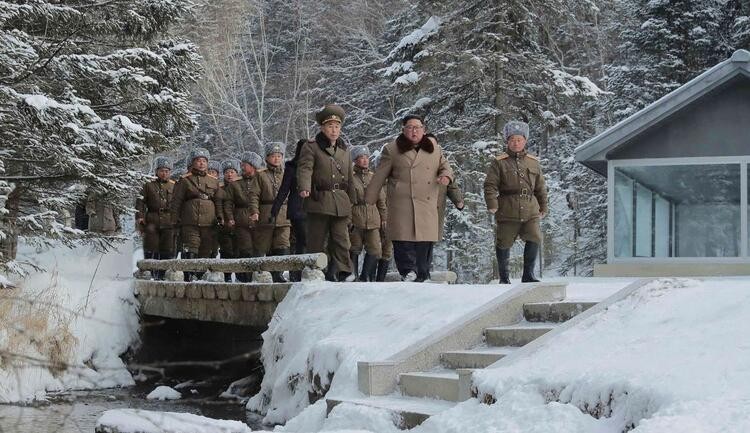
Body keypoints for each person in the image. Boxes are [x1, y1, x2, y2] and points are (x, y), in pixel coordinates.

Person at [365, 114, 453, 282]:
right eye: (410, 127)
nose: (414, 131)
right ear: (403, 130)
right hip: (402, 201)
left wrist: (446, 176)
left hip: (426, 200)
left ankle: (422, 273)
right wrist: (369, 198)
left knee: (424, 239)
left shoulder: (434, 148)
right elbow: (379, 176)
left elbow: (445, 166)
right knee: (402, 237)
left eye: (417, 127)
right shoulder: (392, 149)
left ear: (423, 130)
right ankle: (407, 271)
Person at [483, 120, 548, 283]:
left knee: (534, 237)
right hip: (507, 209)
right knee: (503, 242)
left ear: (525, 140)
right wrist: (492, 204)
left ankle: (528, 275)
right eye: (512, 139)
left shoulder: (533, 162)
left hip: (530, 208)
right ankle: (504, 278)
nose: (516, 143)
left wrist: (543, 206)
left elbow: (540, 187)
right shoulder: (499, 162)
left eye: (519, 139)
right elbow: (490, 185)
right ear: (507, 141)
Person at [297, 104, 355, 282]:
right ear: (322, 127)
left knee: (341, 239)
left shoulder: (344, 150)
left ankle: (343, 271)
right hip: (319, 199)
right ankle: (314, 270)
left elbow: (349, 177)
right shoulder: (311, 147)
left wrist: (352, 199)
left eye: (337, 127)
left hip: (340, 200)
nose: (334, 130)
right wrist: (304, 187)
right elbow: (305, 168)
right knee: (317, 238)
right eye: (330, 126)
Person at [170, 147, 223, 281]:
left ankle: (200, 275)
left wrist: (220, 216)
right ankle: (188, 275)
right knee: (191, 247)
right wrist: (174, 219)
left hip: (209, 222)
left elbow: (218, 201)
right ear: (193, 162)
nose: (201, 163)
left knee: (206, 249)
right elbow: (176, 201)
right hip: (190, 221)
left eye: (204, 161)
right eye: (198, 160)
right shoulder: (184, 180)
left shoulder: (214, 181)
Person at [250, 143, 291, 283]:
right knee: (263, 245)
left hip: (284, 213)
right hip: (266, 213)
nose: (276, 159)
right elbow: (254, 195)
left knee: (282, 244)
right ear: (267, 158)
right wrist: (254, 211)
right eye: (273, 156)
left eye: (279, 156)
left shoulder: (287, 174)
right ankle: (260, 273)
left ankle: (278, 273)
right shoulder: (260, 175)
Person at [224, 151, 265, 282]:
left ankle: (258, 275)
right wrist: (230, 218)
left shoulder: (262, 179)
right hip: (241, 220)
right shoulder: (235, 184)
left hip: (260, 219)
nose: (242, 167)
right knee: (245, 249)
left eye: (245, 164)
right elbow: (228, 203)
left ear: (253, 166)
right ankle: (245, 277)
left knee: (259, 249)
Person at [271, 139, 307, 282]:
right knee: (302, 240)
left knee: (312, 241)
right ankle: (296, 273)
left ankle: (308, 271)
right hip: (297, 208)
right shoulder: (292, 167)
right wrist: (274, 210)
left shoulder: (317, 166)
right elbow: (284, 190)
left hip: (314, 209)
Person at [349, 145, 387, 281]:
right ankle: (353, 276)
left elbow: (381, 200)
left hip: (373, 218)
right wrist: (349, 220)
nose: (365, 160)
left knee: (375, 249)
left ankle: (365, 276)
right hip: (356, 217)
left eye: (366, 157)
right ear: (355, 160)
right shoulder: (351, 178)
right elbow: (348, 201)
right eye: (361, 158)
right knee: (354, 248)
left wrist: (384, 218)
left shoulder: (374, 177)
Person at [135, 156, 176, 280]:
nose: (164, 173)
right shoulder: (148, 185)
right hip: (152, 219)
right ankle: (149, 272)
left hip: (169, 221)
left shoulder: (174, 185)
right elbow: (140, 202)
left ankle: (163, 273)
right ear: (156, 171)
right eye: (162, 170)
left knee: (167, 248)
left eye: (167, 171)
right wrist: (140, 217)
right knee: (151, 247)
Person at [219, 158, 241, 282]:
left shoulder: (241, 186)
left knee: (239, 250)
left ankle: (239, 276)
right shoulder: (220, 188)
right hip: (224, 224)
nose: (229, 174)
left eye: (232, 171)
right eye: (227, 172)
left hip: (240, 222)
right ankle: (226, 276)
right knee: (226, 251)